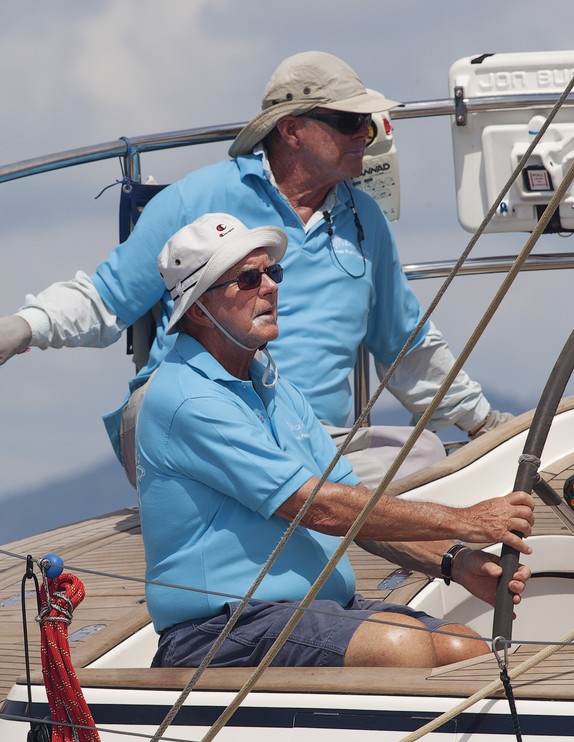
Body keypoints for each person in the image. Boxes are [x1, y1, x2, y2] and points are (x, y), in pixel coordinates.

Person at [0, 51, 512, 489]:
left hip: (313, 440)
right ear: (292, 129)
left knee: (424, 457)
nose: (367, 134)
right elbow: (104, 299)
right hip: (207, 423)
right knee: (293, 473)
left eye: (370, 122)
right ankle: (304, 496)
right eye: (351, 121)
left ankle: (298, 493)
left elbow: (407, 348)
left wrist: (483, 424)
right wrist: (23, 328)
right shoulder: (197, 198)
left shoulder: (365, 220)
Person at [136, 213, 532, 671]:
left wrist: (454, 561)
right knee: (398, 648)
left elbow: (357, 507)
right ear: (200, 310)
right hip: (221, 631)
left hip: (309, 614)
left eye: (272, 272)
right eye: (248, 278)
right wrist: (466, 520)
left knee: (465, 648)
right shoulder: (188, 399)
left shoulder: (274, 386)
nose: (269, 287)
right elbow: (318, 507)